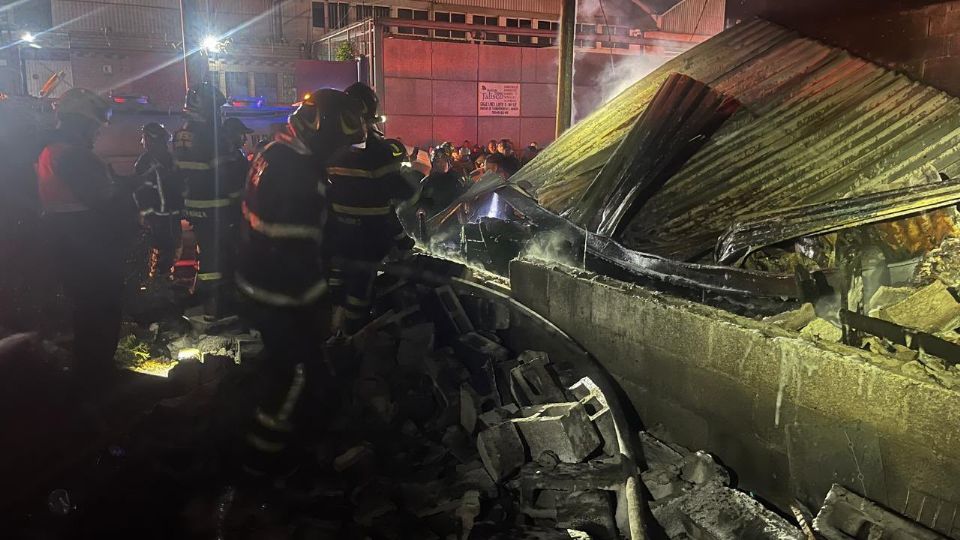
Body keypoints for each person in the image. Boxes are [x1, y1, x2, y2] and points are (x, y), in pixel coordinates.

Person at [233, 88, 365, 482]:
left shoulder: (276, 151)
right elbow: (296, 252)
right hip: (281, 296)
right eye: (340, 144)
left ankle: (297, 443)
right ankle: (263, 465)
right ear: (322, 132)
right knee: (294, 377)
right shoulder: (298, 173)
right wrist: (323, 304)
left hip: (257, 282)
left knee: (296, 372)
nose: (342, 153)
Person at [36, 88, 135, 391]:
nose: (95, 132)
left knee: (88, 313)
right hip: (91, 252)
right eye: (93, 126)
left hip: (76, 249)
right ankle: (98, 379)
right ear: (79, 122)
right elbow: (106, 201)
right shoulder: (74, 155)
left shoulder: (53, 151)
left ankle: (93, 372)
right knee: (99, 313)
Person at [325, 82, 418, 333]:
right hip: (366, 238)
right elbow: (395, 198)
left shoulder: (329, 149)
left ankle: (333, 332)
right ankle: (353, 341)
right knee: (359, 291)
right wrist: (403, 242)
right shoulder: (380, 151)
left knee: (337, 286)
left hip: (335, 234)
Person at [173, 81, 240, 319]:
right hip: (217, 206)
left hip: (193, 206)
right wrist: (239, 202)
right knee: (219, 258)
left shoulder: (182, 132)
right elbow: (225, 174)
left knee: (207, 257)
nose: (219, 114)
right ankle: (217, 310)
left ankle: (209, 307)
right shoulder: (212, 135)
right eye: (217, 109)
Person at [133, 122, 183, 286]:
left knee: (173, 248)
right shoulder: (145, 162)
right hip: (157, 216)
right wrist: (146, 214)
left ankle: (164, 280)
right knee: (159, 250)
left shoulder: (169, 160)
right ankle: (156, 284)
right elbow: (141, 191)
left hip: (170, 214)